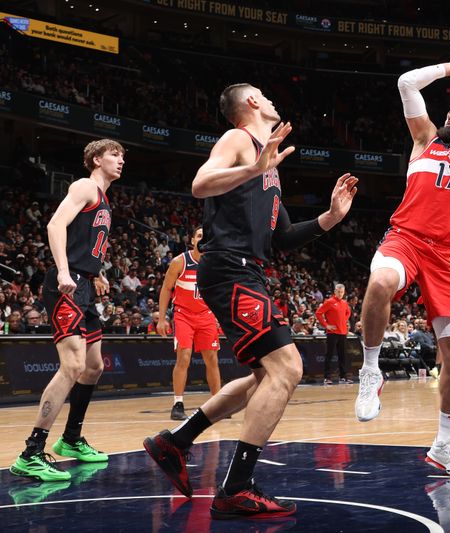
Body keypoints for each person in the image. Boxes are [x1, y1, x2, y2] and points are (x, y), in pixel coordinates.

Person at [143, 83, 357, 519]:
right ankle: (236, 487)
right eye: (264, 93)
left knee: (264, 377)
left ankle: (175, 442)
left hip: (247, 269)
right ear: (252, 103)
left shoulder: (268, 162)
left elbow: (283, 237)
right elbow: (200, 184)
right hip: (230, 267)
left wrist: (331, 219)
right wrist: (256, 165)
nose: (272, 98)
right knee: (288, 368)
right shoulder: (239, 140)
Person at [354, 37, 450, 478]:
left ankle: (445, 445)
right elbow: (406, 83)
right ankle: (371, 372)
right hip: (407, 238)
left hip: (447, 258)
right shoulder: (424, 140)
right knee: (379, 283)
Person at [9, 139, 124, 481]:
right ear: (96, 159)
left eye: (122, 156)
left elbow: (83, 241)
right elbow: (56, 225)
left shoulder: (104, 198)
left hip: (84, 282)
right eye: (115, 155)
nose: (121, 160)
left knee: (92, 367)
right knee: (72, 364)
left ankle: (71, 439)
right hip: (68, 282)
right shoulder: (85, 186)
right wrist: (62, 271)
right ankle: (31, 452)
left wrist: (97, 273)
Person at [157, 226, 222, 421]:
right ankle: (178, 404)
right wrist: (161, 318)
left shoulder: (215, 264)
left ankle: (217, 403)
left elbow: (220, 293)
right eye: (199, 235)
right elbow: (166, 289)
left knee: (212, 359)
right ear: (193, 240)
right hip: (183, 314)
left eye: (206, 236)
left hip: (207, 315)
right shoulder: (180, 262)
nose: (202, 239)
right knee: (183, 357)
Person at [314, 283, 352, 385]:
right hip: (332, 333)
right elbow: (318, 313)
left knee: (342, 356)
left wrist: (344, 320)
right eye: (338, 292)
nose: (340, 294)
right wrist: (326, 325)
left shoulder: (344, 303)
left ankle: (343, 377)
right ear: (335, 291)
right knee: (329, 355)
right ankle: (327, 378)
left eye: (342, 292)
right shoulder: (329, 302)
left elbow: (348, 312)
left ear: (344, 293)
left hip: (343, 332)